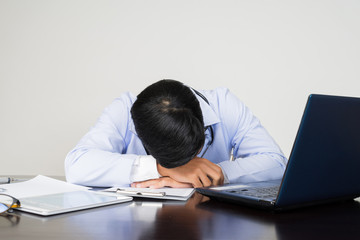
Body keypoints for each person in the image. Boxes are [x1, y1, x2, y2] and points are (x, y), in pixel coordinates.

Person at [65, 79, 287, 188]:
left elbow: (277, 163)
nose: (187, 165)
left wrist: (215, 173)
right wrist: (161, 169)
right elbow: (76, 165)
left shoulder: (224, 105)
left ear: (202, 123)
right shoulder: (124, 111)